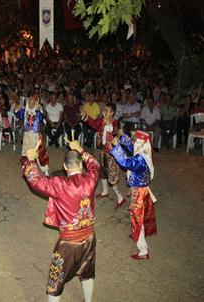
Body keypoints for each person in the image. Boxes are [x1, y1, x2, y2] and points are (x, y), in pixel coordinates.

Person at [21, 139, 100, 302]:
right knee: (87, 272)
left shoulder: (59, 184)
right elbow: (95, 165)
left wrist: (29, 159)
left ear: (65, 167)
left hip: (69, 243)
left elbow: (36, 180)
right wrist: (80, 149)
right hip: (89, 237)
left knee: (55, 281)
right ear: (80, 165)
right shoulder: (90, 179)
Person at [110, 130, 157, 260]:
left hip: (140, 192)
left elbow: (126, 163)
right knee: (141, 216)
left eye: (136, 140)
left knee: (136, 218)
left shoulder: (140, 159)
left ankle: (143, 250)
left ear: (141, 143)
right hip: (142, 189)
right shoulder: (144, 152)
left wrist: (116, 148)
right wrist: (120, 136)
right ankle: (137, 234)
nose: (134, 141)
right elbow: (131, 146)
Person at [81, 103, 126, 207]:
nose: (104, 112)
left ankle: (120, 198)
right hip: (103, 151)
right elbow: (92, 123)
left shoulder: (115, 123)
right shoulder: (101, 121)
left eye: (107, 110)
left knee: (111, 177)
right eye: (104, 110)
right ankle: (105, 191)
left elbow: (115, 131)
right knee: (102, 172)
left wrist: (108, 124)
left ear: (112, 113)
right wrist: (85, 116)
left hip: (112, 154)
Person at [15, 95, 49, 175]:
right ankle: (26, 167)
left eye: (33, 103)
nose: (31, 104)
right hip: (27, 135)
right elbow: (17, 113)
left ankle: (45, 169)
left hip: (36, 135)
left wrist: (40, 109)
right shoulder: (24, 111)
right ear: (27, 103)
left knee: (40, 152)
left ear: (35, 103)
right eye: (30, 103)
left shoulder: (38, 111)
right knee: (26, 151)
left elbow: (42, 116)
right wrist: (17, 108)